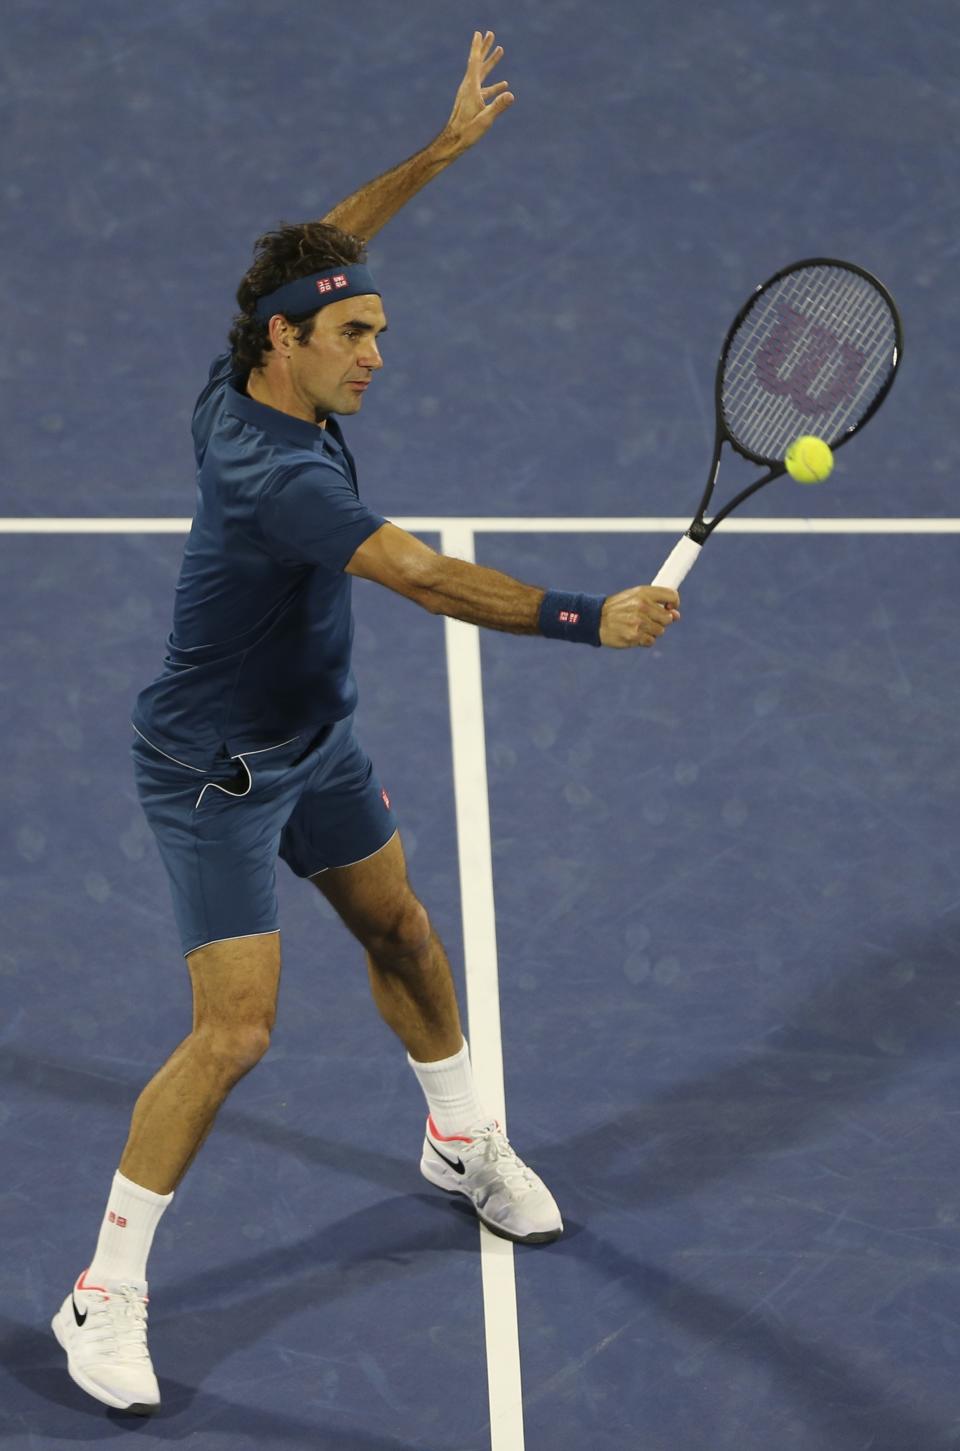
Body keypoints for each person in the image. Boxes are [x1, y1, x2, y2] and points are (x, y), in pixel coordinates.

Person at [52, 31, 681, 1415]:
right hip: (214, 773)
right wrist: (594, 618)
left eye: (381, 328)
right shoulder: (276, 474)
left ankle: (461, 1144)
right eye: (356, 335)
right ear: (289, 343)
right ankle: (100, 1295)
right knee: (235, 1035)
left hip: (315, 739)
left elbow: (323, 240)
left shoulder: (248, 355)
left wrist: (439, 154)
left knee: (400, 926)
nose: (380, 355)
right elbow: (426, 576)